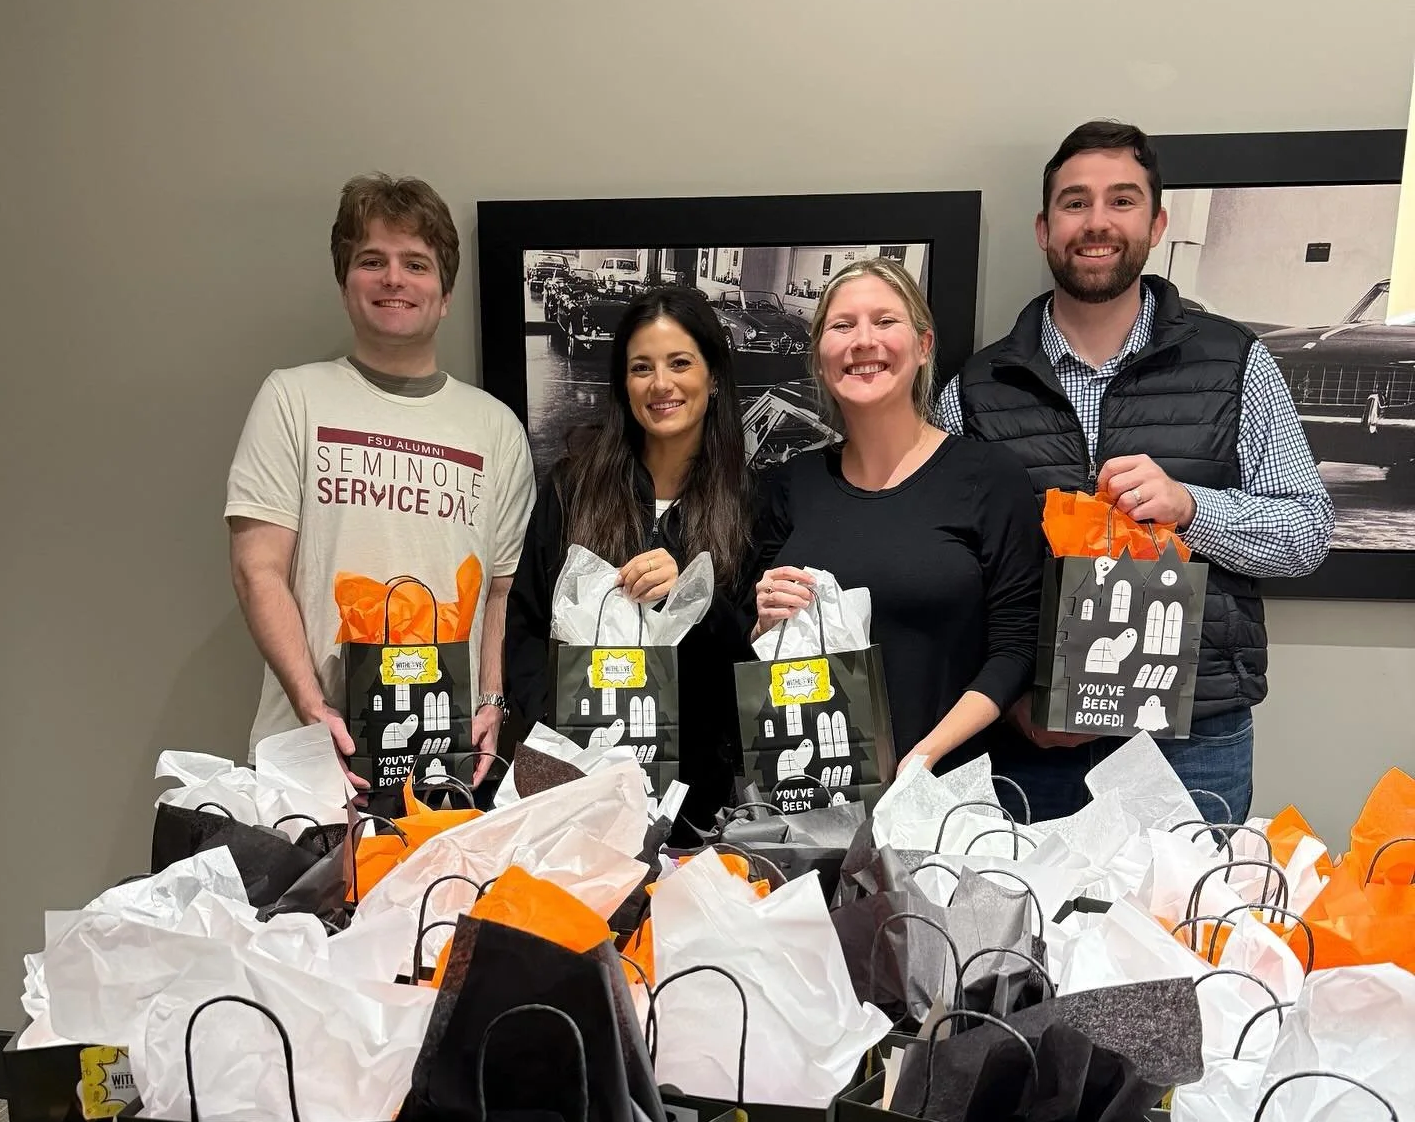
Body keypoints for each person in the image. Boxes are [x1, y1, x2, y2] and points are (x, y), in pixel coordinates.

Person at [939, 121, 1333, 824]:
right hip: (1032, 739)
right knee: (1023, 933)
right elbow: (945, 572)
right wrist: (1013, 699)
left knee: (1180, 934)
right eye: (1074, 203)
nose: (1097, 223)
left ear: (1156, 223)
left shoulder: (1236, 361)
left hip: (1193, 739)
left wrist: (1191, 509)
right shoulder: (974, 388)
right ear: (1043, 227)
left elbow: (1306, 532)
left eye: (1121, 201)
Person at [226, 174, 535, 786]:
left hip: (447, 753)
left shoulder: (495, 427)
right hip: (312, 756)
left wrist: (492, 702)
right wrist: (315, 712)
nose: (394, 278)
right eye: (373, 260)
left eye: (416, 264)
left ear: (445, 294)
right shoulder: (292, 398)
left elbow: (501, 593)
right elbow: (256, 568)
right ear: (346, 284)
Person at [752, 259, 1044, 773]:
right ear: (821, 357)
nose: (864, 341)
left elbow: (1015, 650)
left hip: (942, 791)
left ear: (924, 345)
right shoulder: (791, 483)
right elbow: (756, 646)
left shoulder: (988, 477)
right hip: (812, 792)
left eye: (885, 321)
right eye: (843, 326)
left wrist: (921, 759)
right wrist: (762, 621)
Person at [505, 285, 757, 834]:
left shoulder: (751, 502)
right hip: (578, 791)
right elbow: (524, 624)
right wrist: (554, 730)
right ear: (623, 382)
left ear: (713, 378)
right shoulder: (572, 488)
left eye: (680, 363)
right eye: (641, 366)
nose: (660, 383)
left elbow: (756, 658)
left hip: (700, 807)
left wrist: (695, 598)